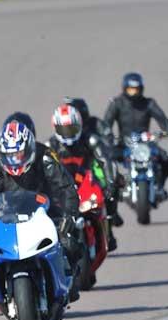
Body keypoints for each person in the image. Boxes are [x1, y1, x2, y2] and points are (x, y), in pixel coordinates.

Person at [0, 112, 81, 303]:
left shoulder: (45, 159)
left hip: (46, 213)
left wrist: (69, 216)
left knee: (72, 245)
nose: (14, 160)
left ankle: (68, 283)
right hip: (8, 218)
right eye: (9, 155)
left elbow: (67, 188)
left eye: (18, 154)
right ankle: (0, 290)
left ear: (28, 148)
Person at [48, 102, 119, 251]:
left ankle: (109, 228)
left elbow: (106, 160)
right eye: (64, 130)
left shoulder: (90, 140)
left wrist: (111, 183)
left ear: (79, 125)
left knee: (112, 190)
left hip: (88, 180)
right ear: (56, 128)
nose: (68, 134)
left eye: (71, 129)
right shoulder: (50, 146)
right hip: (62, 186)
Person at [104, 72, 168, 200]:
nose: (133, 93)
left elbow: (162, 118)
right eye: (131, 89)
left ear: (141, 89)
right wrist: (107, 135)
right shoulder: (117, 103)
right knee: (104, 159)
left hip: (145, 144)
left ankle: (159, 185)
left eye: (136, 89)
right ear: (125, 88)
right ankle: (112, 187)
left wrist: (167, 129)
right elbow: (106, 124)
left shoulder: (149, 103)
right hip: (123, 144)